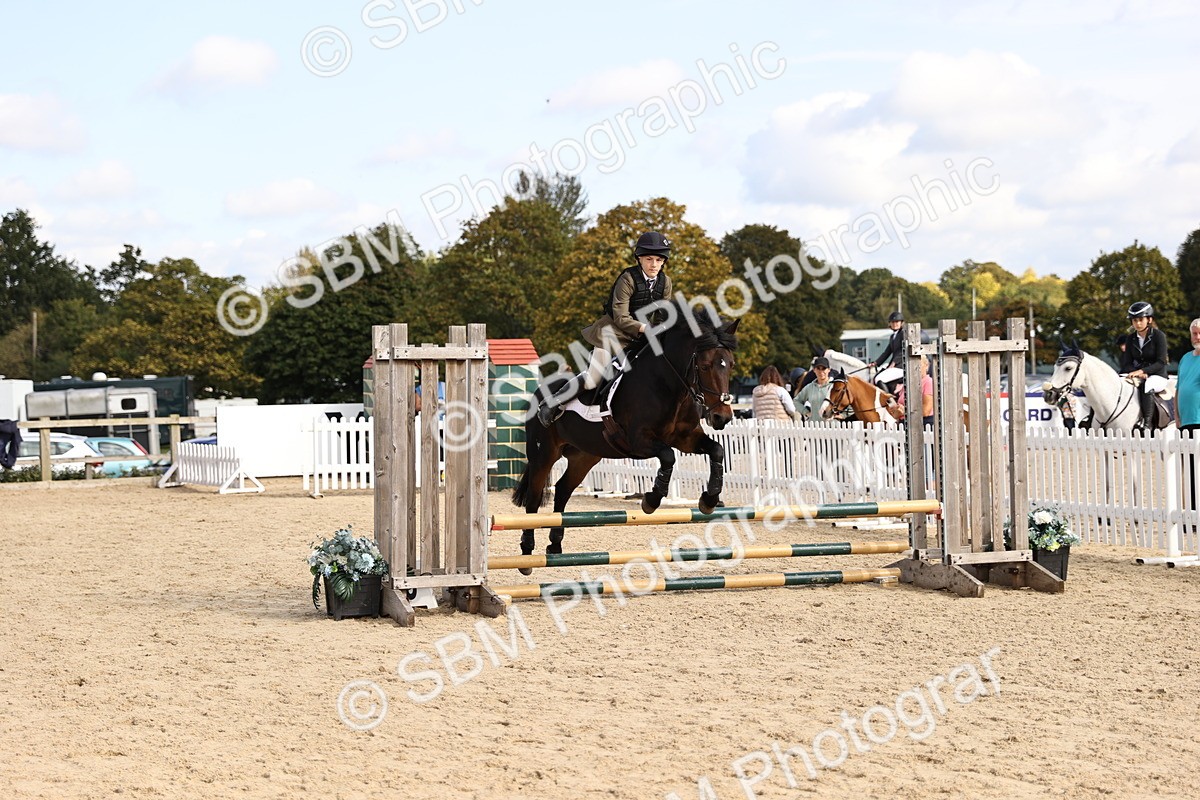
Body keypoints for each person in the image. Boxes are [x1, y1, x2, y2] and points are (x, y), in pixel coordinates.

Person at [538, 231, 673, 425]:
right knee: (593, 378)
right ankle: (552, 403)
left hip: (639, 336)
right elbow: (620, 317)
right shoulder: (628, 278)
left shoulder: (665, 283)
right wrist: (647, 329)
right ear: (639, 259)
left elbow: (662, 316)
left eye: (659, 260)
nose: (654, 265)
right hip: (611, 332)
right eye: (649, 259)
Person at [1119, 300, 1169, 432]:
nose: (1137, 323)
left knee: (1148, 385)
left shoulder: (1159, 336)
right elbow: (1127, 363)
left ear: (1149, 319)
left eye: (1141, 320)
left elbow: (1161, 362)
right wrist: (1136, 372)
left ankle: (1147, 424)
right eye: (1134, 320)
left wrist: (1144, 371)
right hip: (1138, 374)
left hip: (1158, 376)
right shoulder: (1130, 338)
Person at [896, 355, 934, 428]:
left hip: (922, 426)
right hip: (903, 425)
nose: (915, 368)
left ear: (926, 366)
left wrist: (905, 411)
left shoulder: (928, 382)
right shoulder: (908, 383)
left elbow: (926, 411)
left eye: (918, 365)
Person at [873, 310, 905, 394]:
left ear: (901, 323)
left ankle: (889, 401)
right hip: (895, 366)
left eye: (897, 322)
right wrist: (876, 363)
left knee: (878, 379)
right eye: (892, 322)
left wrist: (894, 362)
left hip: (901, 366)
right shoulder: (893, 336)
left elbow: (903, 349)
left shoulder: (903, 334)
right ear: (890, 324)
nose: (894, 324)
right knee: (876, 376)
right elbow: (887, 352)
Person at [1178, 318, 1200, 433]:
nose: (1198, 337)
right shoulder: (1185, 358)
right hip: (1185, 422)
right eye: (1194, 333)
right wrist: (1177, 417)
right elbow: (1178, 390)